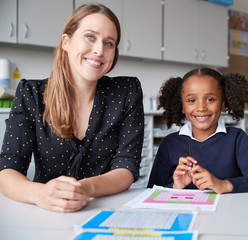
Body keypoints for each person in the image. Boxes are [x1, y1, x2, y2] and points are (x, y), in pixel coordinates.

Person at [0, 4, 144, 213]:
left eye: (109, 43)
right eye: (90, 37)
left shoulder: (126, 91)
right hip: (46, 212)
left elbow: (127, 167)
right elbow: (7, 170)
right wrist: (39, 194)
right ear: (66, 42)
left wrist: (86, 187)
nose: (99, 50)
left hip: (104, 210)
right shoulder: (31, 94)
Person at [147, 68, 248, 194]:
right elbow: (151, 191)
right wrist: (175, 187)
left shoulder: (236, 138)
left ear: (223, 104)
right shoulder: (170, 143)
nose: (201, 108)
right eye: (192, 100)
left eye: (210, 99)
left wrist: (224, 185)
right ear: (182, 106)